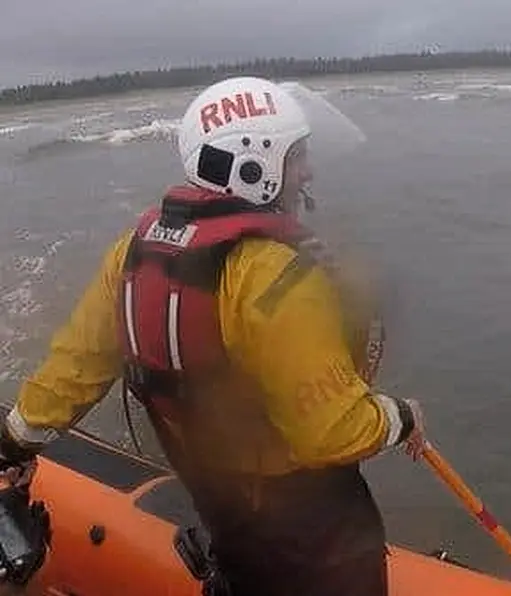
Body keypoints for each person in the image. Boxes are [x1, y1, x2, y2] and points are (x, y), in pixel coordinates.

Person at [0, 76, 427, 596]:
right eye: (297, 158)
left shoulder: (133, 253)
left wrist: (15, 439)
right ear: (256, 166)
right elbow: (332, 433)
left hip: (221, 506)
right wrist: (400, 417)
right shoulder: (278, 276)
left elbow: (74, 369)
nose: (308, 171)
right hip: (312, 535)